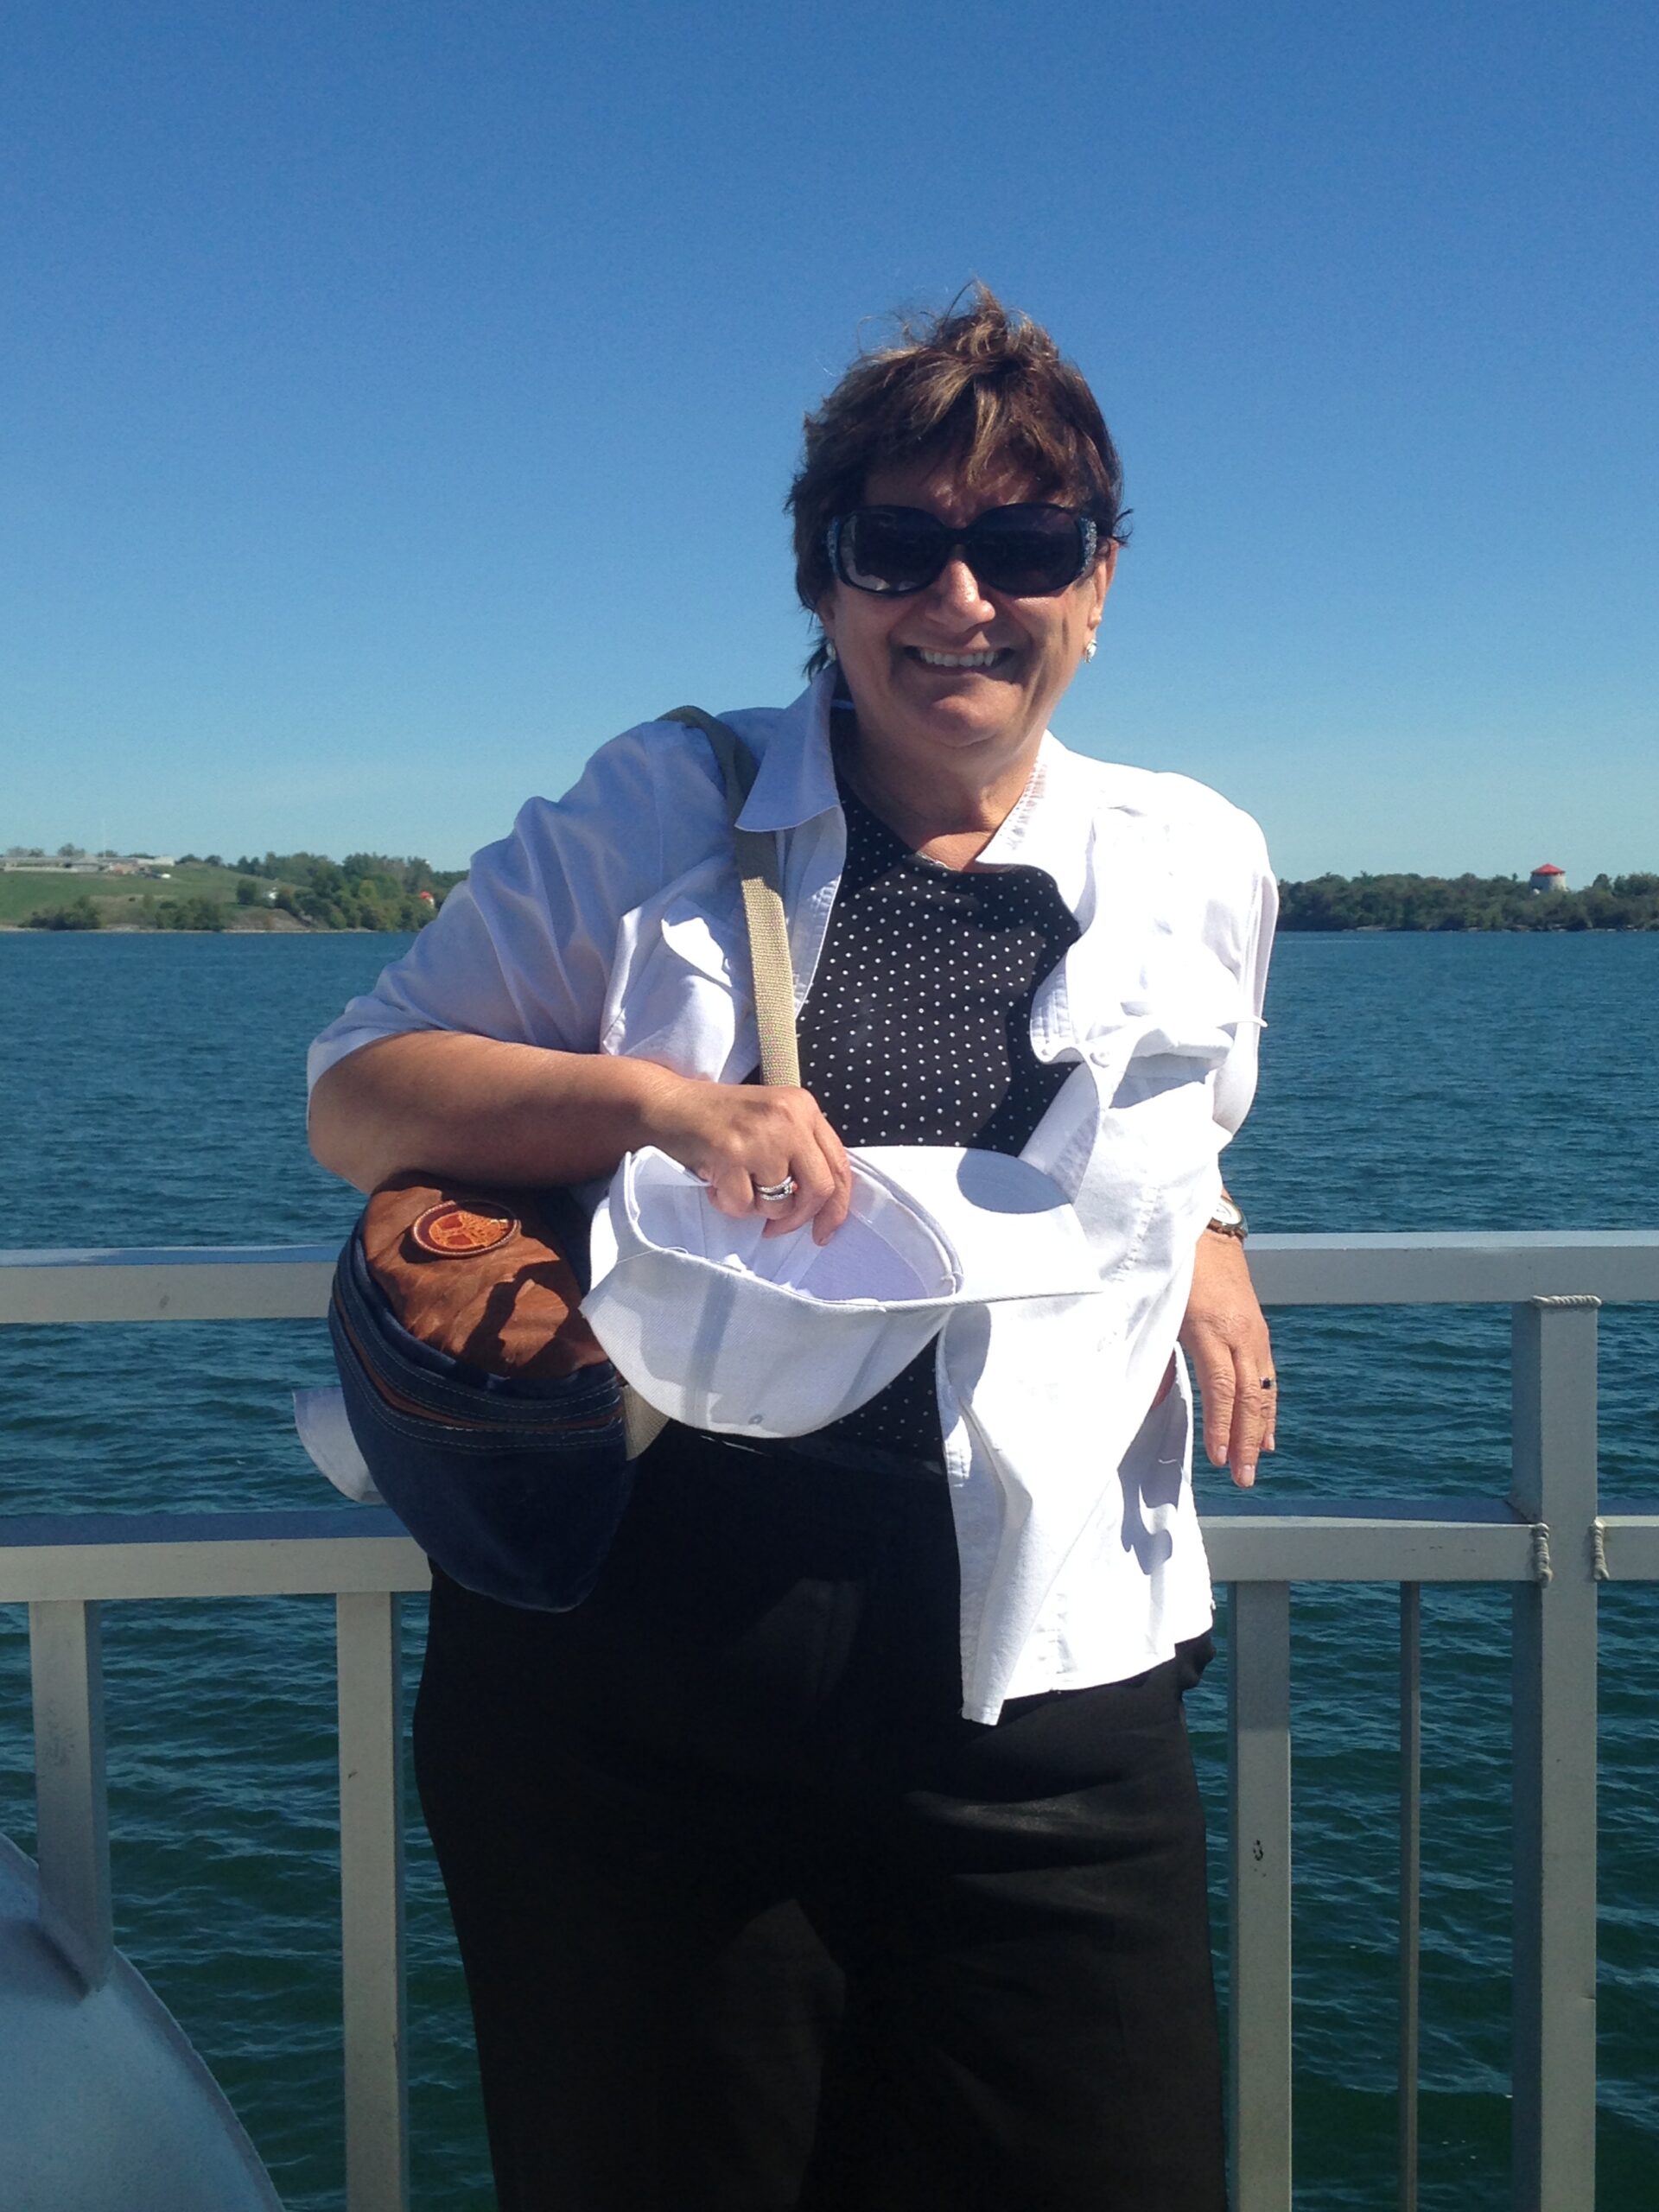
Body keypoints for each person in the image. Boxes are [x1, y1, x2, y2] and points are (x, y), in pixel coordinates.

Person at [308, 287, 1277, 2212]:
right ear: (823, 580)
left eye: (1027, 545)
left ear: (1099, 583)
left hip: (1051, 1656)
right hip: (648, 1651)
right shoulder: (662, 806)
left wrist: (1211, 1231)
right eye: (897, 544)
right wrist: (662, 1105)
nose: (962, 598)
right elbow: (359, 1094)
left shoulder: (1201, 858)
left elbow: (1173, 1112)